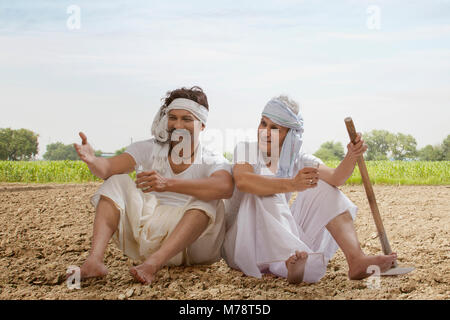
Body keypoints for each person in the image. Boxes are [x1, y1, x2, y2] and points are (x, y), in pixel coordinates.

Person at [222, 95, 397, 284]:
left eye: (274, 128)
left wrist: (351, 156)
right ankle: (286, 263)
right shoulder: (246, 149)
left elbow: (336, 178)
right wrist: (291, 184)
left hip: (281, 237)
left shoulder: (297, 158)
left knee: (323, 186)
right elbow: (243, 181)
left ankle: (355, 259)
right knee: (266, 193)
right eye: (263, 123)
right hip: (243, 245)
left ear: (289, 134)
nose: (265, 132)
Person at [70, 86, 234, 284]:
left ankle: (152, 265)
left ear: (202, 125)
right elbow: (107, 169)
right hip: (150, 235)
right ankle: (94, 262)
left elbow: (225, 186)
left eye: (187, 119)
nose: (178, 124)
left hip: (194, 246)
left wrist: (167, 184)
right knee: (116, 181)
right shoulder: (149, 148)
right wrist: (93, 160)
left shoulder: (211, 158)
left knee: (209, 197)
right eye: (173, 117)